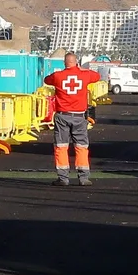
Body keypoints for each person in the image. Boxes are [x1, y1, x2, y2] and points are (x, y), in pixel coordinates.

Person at [42, 53, 102, 186]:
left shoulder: (58, 76)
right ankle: (83, 177)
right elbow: (97, 76)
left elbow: (47, 80)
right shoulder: (85, 75)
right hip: (79, 117)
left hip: (62, 116)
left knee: (61, 146)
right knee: (81, 146)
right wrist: (81, 69)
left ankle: (63, 178)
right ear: (76, 62)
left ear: (64, 63)